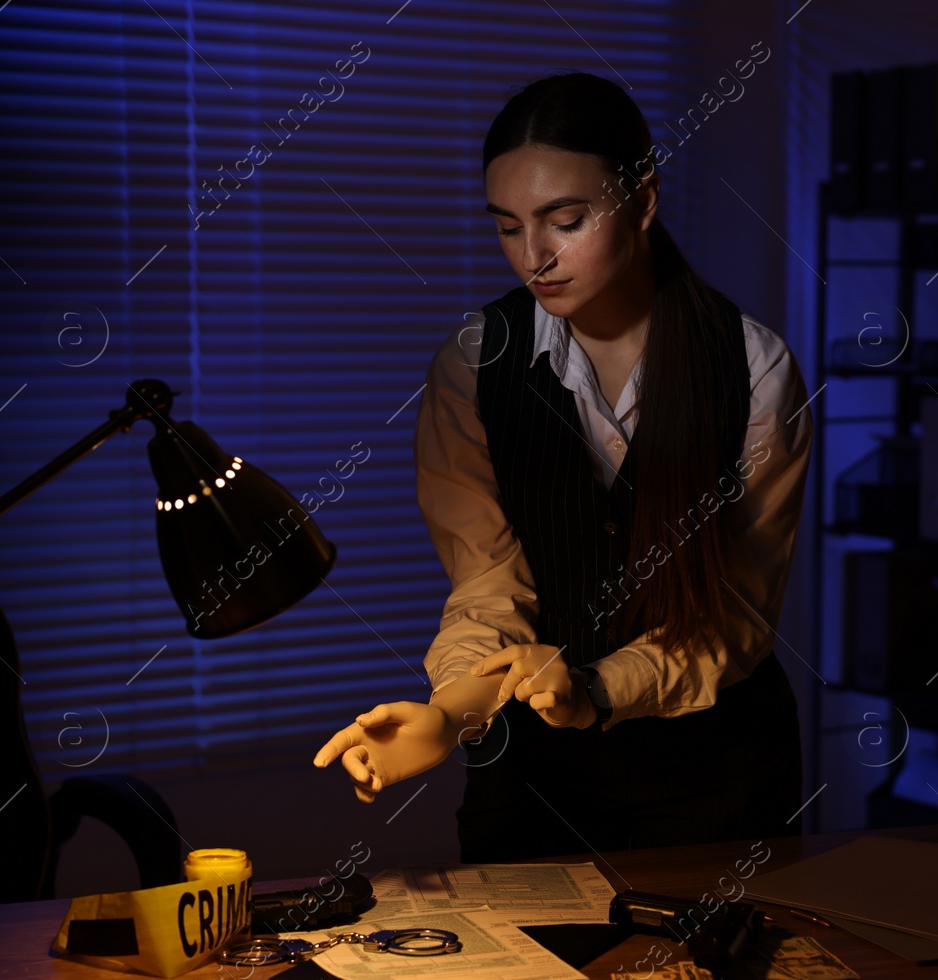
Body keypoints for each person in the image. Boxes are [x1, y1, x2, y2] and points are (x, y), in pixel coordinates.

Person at [313, 70, 813, 862]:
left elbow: (734, 617)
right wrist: (449, 714)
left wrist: (595, 689)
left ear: (643, 201)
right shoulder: (474, 364)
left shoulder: (755, 370)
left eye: (566, 220)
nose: (534, 257)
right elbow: (489, 586)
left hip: (716, 777)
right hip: (531, 782)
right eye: (508, 227)